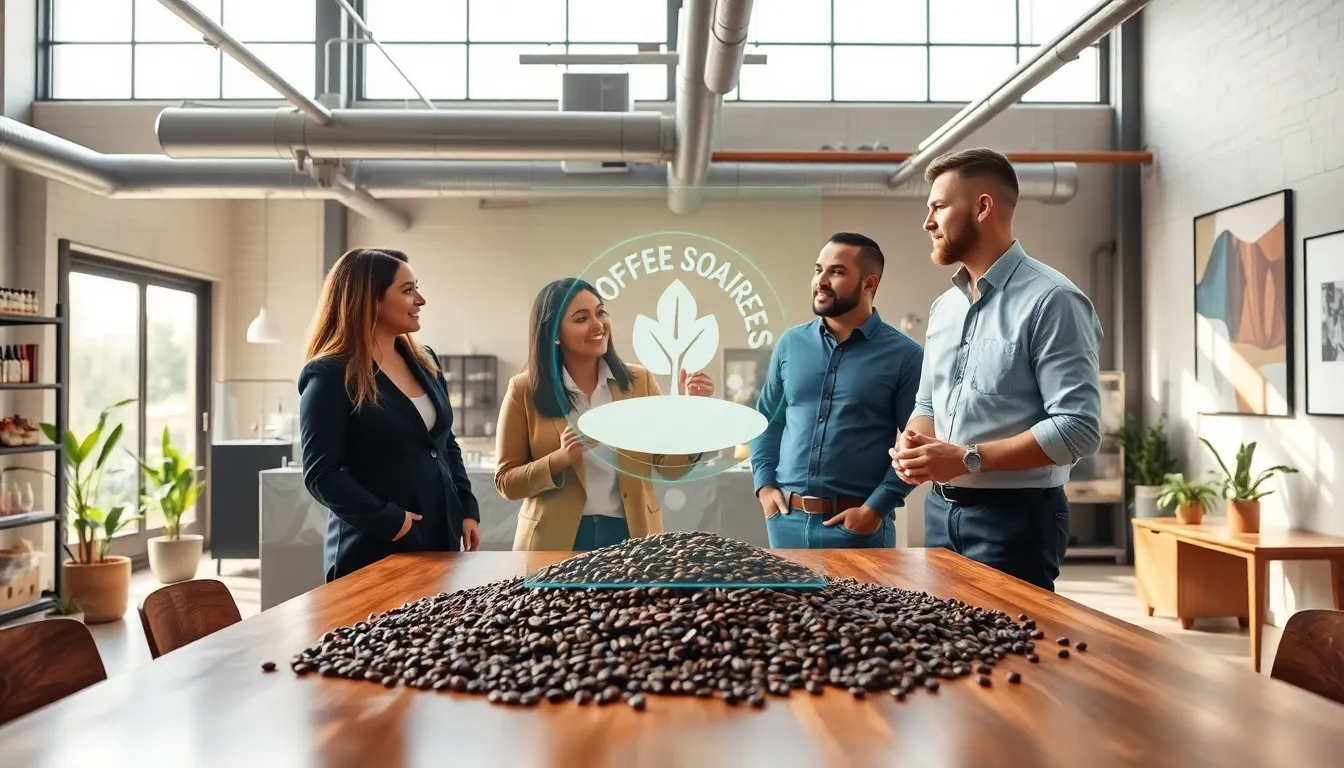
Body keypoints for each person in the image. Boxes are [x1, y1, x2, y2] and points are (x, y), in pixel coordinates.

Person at [891, 147, 1103, 592]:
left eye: (939, 207)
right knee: (942, 648)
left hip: (1018, 519)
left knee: (1012, 655)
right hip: (939, 511)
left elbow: (1078, 428)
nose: (927, 222)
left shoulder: (1053, 300)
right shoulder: (944, 307)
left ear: (983, 206)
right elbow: (928, 402)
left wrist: (968, 457)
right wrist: (915, 440)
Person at [298, 248, 481, 583]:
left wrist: (466, 506)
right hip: (374, 547)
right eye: (408, 290)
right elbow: (320, 473)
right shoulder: (328, 373)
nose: (421, 300)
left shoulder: (425, 359)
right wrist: (390, 520)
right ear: (371, 300)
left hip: (441, 538)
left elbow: (444, 441)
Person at [494, 277, 714, 552]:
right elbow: (506, 482)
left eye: (600, 312)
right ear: (555, 334)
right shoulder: (524, 389)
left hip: (632, 535)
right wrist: (560, 459)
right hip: (554, 539)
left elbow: (670, 467)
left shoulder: (639, 382)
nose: (598, 325)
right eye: (581, 318)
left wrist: (693, 412)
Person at [750, 232, 923, 549]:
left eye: (837, 272)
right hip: (786, 522)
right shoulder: (790, 344)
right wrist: (764, 487)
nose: (821, 281)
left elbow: (916, 445)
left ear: (869, 284)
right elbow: (766, 422)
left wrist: (875, 509)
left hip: (859, 528)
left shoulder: (906, 356)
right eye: (819, 270)